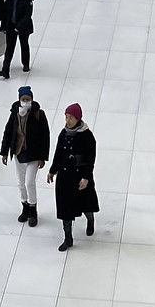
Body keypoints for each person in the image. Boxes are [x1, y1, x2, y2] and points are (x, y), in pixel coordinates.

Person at [0, 86, 51, 226]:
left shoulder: (38, 114)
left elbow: (45, 136)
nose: (26, 101)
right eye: (23, 99)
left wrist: (43, 157)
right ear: (19, 100)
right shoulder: (14, 114)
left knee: (29, 182)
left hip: (33, 155)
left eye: (28, 99)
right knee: (20, 183)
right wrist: (4, 151)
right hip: (18, 153)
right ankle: (25, 207)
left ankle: (33, 209)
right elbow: (8, 132)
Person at [50, 104, 98, 251]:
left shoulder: (87, 136)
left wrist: (86, 177)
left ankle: (90, 221)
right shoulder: (63, 134)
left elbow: (91, 158)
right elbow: (58, 153)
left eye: (71, 117)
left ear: (78, 118)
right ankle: (68, 238)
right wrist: (53, 170)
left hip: (80, 176)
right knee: (65, 207)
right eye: (66, 117)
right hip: (65, 177)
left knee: (86, 204)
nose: (67, 120)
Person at [2, 0, 36, 76]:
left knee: (24, 44)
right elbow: (6, 9)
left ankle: (25, 63)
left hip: (23, 27)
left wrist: (19, 27)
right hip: (11, 26)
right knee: (9, 48)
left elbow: (27, 15)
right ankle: (5, 69)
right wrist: (4, 25)